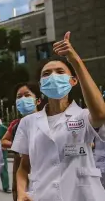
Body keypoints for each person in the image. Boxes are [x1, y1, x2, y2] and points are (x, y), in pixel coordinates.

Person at [12, 32, 105, 201]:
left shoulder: (84, 116)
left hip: (82, 195)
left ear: (73, 81)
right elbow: (24, 166)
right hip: (42, 195)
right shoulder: (28, 122)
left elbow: (100, 114)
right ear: (41, 85)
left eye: (60, 71)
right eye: (46, 74)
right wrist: (21, 192)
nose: (53, 76)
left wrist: (74, 60)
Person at [1, 82, 41, 201]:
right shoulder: (16, 124)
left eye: (27, 95)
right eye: (19, 97)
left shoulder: (47, 121)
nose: (23, 99)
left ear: (38, 100)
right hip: (21, 165)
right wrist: (20, 145)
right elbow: (3, 141)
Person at [0, 115, 12, 194]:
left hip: (2, 152)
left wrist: (6, 145)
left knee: (4, 170)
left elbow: (9, 138)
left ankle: (6, 187)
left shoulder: (3, 128)